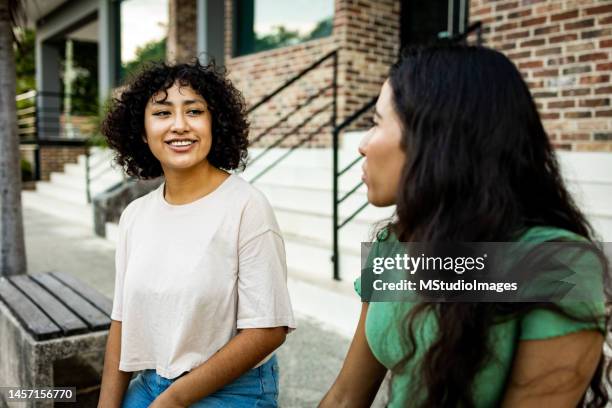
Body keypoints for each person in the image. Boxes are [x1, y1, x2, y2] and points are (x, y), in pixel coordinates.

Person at [320, 45, 610, 407]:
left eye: (377, 122)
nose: (363, 145)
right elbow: (346, 397)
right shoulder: (394, 244)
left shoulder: (557, 264)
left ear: (436, 137)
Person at [97, 59, 296, 408]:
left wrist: (173, 400)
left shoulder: (246, 206)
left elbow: (268, 329)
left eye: (194, 111)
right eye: (162, 113)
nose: (179, 125)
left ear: (214, 123)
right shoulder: (135, 216)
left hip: (235, 388)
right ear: (142, 131)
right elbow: (122, 320)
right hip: (152, 382)